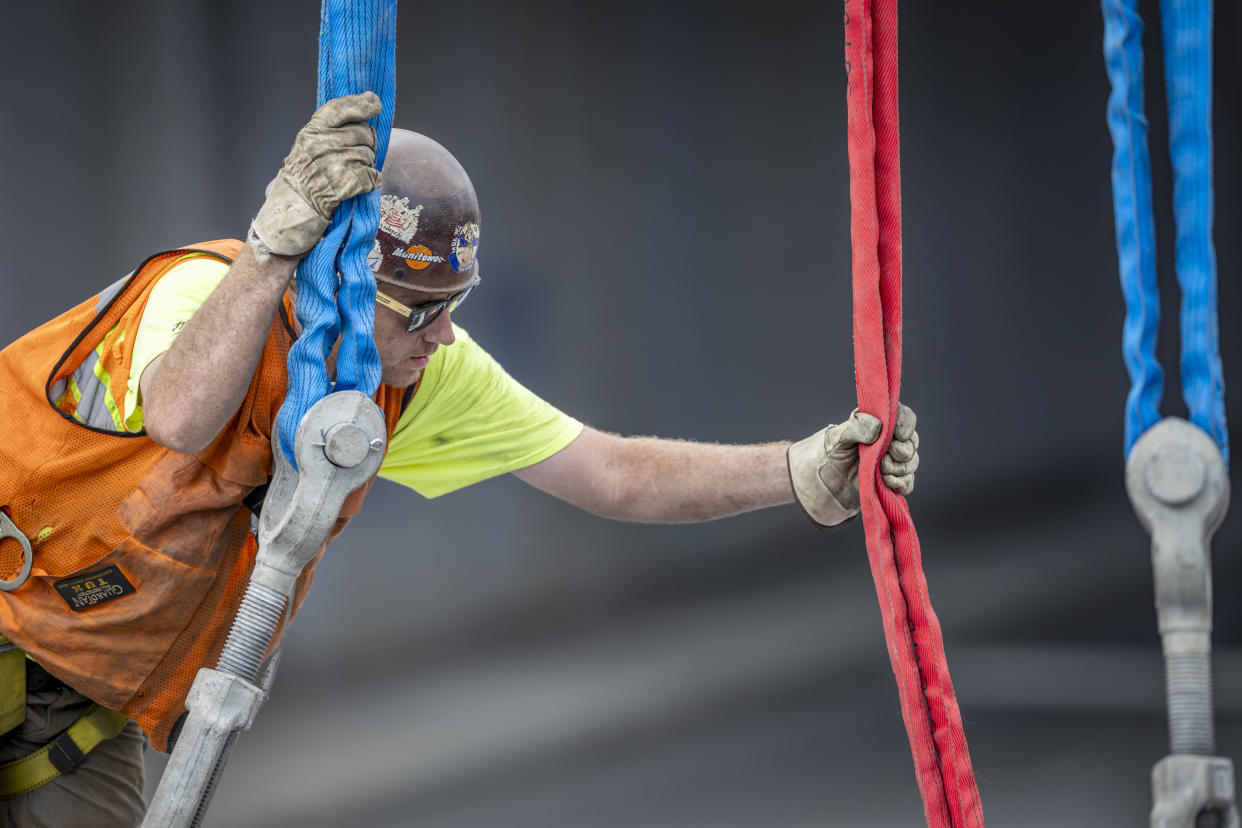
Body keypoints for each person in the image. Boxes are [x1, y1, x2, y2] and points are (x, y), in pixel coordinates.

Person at [0, 92, 918, 826]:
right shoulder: (204, 294)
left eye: (455, 303)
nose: (443, 336)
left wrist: (800, 473)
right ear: (335, 274)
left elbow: (609, 472)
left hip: (77, 703)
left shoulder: (412, 367)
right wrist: (274, 245)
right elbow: (180, 417)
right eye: (415, 305)